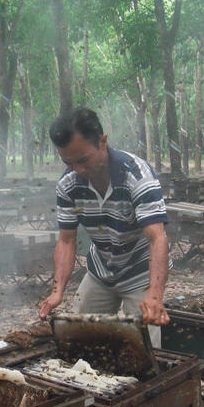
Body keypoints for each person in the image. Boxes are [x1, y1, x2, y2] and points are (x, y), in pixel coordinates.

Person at [38, 107, 171, 347]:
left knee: (146, 349)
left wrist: (154, 294)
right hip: (101, 270)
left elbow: (157, 238)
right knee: (76, 338)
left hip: (140, 272)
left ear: (102, 142)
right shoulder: (68, 184)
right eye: (68, 162)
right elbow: (66, 240)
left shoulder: (136, 175)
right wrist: (58, 291)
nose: (77, 169)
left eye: (83, 160)